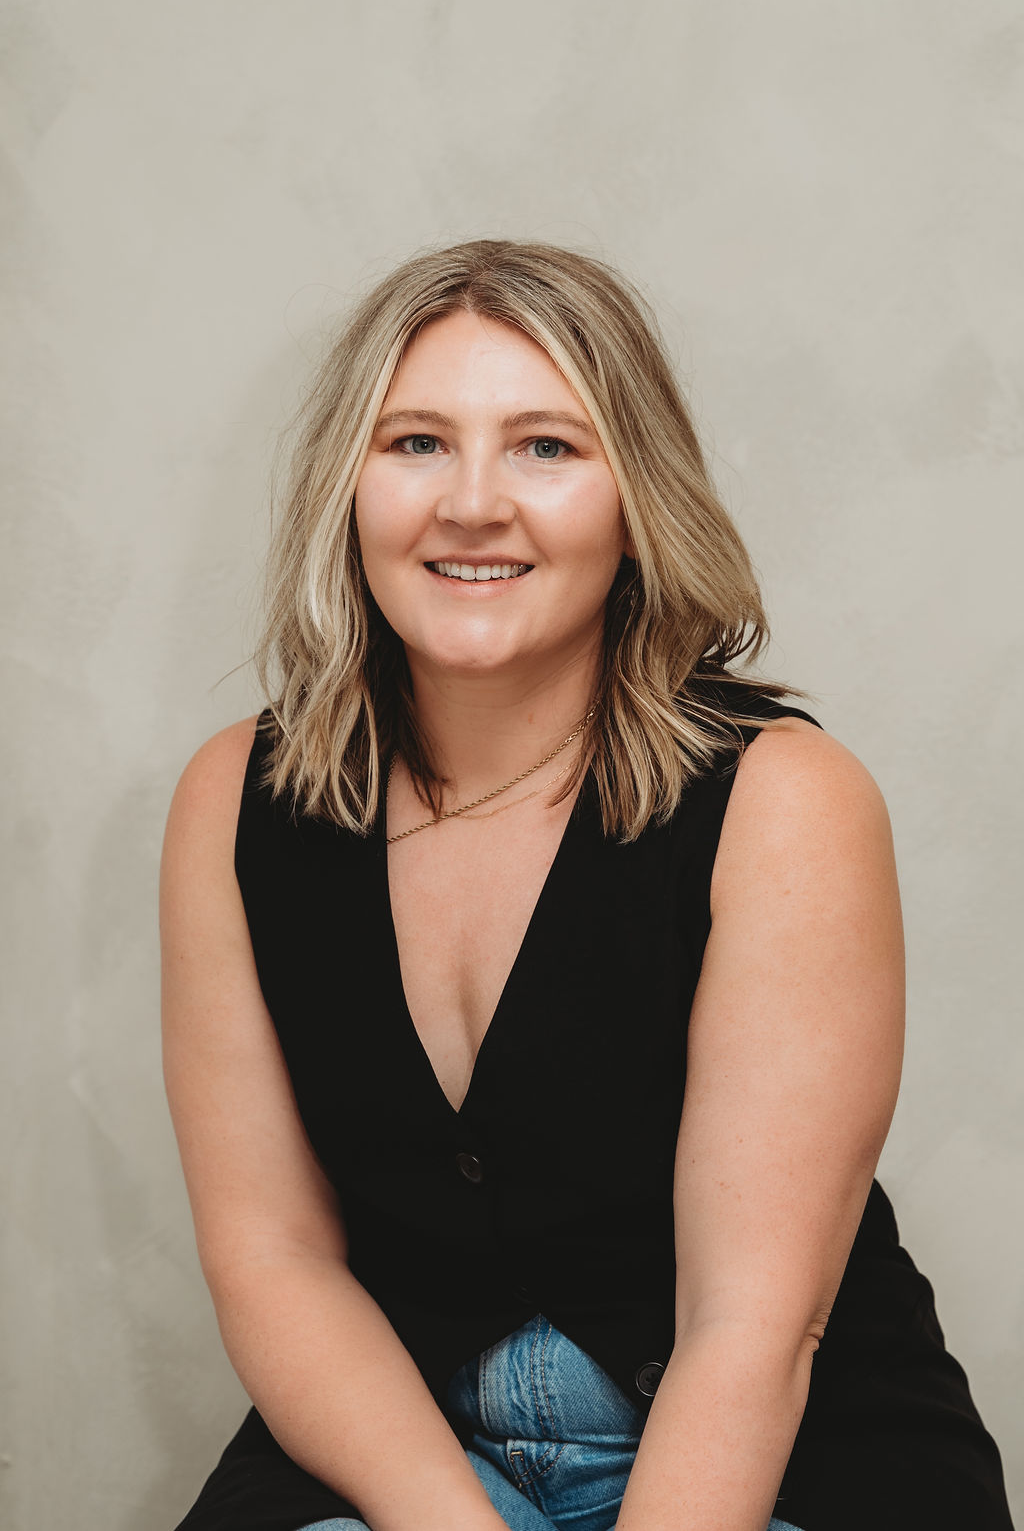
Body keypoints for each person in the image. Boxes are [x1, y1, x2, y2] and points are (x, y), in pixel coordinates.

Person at [161, 240, 1013, 1531]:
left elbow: (750, 1325)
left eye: (546, 447)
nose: (472, 504)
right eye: (417, 443)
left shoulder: (784, 800)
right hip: (408, 1452)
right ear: (348, 484)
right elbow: (275, 1263)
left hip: (770, 1461)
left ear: (635, 498)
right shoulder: (236, 798)